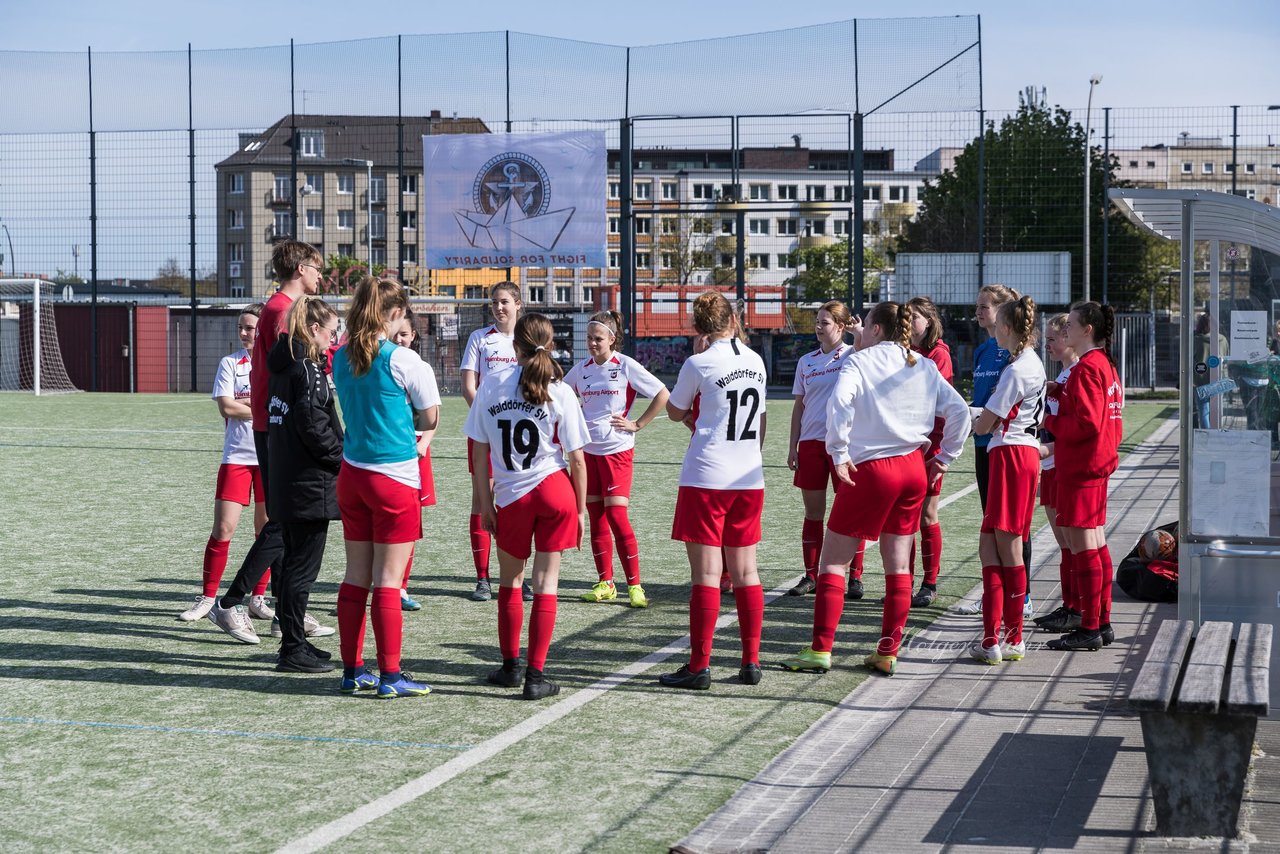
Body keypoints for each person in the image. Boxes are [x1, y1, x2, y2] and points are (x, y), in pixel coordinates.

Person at [781, 301, 970, 678]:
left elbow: (840, 403)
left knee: (834, 561)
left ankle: (820, 649)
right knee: (899, 566)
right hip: (912, 470)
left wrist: (837, 453)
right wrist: (945, 458)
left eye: (865, 325)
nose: (860, 331)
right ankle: (887, 651)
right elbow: (961, 411)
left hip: (871, 469)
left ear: (878, 329)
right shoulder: (925, 365)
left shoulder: (859, 362)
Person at [208, 241, 331, 644]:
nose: (320, 275)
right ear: (300, 268)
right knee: (282, 521)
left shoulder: (283, 307)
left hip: (274, 422)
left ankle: (283, 614)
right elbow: (291, 367)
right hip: (277, 425)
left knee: (286, 520)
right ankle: (230, 602)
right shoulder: (282, 309)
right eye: (315, 268)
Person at [465, 313, 589, 700]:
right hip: (555, 491)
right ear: (549, 345)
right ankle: (536, 677)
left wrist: (485, 504)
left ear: (513, 346)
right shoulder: (561, 390)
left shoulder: (491, 386)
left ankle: (510, 668)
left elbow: (480, 451)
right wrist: (581, 510)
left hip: (512, 495)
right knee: (546, 585)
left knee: (511, 582)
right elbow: (577, 459)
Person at [332, 278, 440, 698]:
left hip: (352, 476)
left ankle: (352, 669)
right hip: (393, 478)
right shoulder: (405, 360)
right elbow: (429, 417)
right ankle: (391, 675)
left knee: (355, 576)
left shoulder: (340, 357)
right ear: (395, 314)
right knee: (389, 581)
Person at [659, 292, 768, 691]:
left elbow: (673, 409)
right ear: (733, 321)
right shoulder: (755, 360)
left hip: (707, 476)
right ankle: (751, 661)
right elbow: (760, 420)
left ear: (700, 329)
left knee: (706, 574)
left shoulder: (699, 362)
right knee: (746, 572)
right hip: (748, 476)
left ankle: (699, 666)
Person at [564, 310, 669, 608]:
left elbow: (662, 393)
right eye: (589, 339)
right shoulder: (581, 369)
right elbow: (559, 392)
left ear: (612, 339)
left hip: (617, 451)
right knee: (596, 516)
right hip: (587, 452)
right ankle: (606, 583)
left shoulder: (625, 365)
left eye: (598, 339)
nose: (593, 344)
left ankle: (635, 585)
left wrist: (637, 424)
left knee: (617, 516)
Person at [179, 304, 274, 623]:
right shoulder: (230, 364)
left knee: (267, 531)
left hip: (270, 457)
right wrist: (258, 406)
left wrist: (245, 403)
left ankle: (258, 599)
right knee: (223, 528)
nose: (246, 333)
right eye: (241, 328)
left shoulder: (275, 364)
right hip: (236, 456)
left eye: (251, 328)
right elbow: (227, 409)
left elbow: (271, 406)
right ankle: (207, 598)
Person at [266, 296, 343, 673]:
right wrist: (341, 458)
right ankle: (292, 649)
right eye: (331, 331)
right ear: (314, 330)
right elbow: (314, 426)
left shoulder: (284, 365)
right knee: (301, 569)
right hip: (308, 483)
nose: (334, 338)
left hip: (286, 478)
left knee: (293, 565)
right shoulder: (306, 369)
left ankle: (295, 642)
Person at [968, 296, 1045, 665]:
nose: (993, 328)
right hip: (1017, 453)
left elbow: (988, 422)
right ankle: (994, 637)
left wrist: (964, 419)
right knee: (991, 547)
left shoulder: (1017, 369)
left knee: (1006, 549)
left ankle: (1009, 638)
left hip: (1012, 454)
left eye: (999, 323)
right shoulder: (1026, 363)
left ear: (1009, 328)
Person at [1046, 301, 1124, 652]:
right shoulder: (1104, 364)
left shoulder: (1087, 367)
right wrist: (1059, 391)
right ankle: (1101, 620)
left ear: (1087, 330)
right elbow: (1092, 409)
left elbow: (1086, 422)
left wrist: (1047, 421)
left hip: (1082, 465)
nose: (1066, 331)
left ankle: (1091, 625)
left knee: (1083, 545)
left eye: (1071, 325)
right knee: (1094, 540)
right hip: (1096, 463)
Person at [955, 284, 1032, 618]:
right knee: (992, 522)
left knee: (1012, 528)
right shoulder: (985, 349)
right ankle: (995, 595)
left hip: (1008, 445)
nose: (978, 312)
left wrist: (980, 419)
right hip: (983, 443)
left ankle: (1022, 596)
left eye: (984, 306)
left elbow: (1010, 400)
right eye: (977, 306)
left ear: (1003, 312)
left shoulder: (1014, 353)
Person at [786, 300, 859, 598]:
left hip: (844, 445)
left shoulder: (855, 356)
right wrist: (793, 445)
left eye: (825, 322)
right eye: (817, 321)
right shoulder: (806, 361)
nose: (818, 326)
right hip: (812, 444)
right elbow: (799, 405)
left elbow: (871, 347)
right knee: (813, 513)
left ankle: (855, 577)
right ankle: (811, 575)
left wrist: (859, 333)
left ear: (841, 327)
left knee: (851, 514)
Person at [461, 282, 527, 602]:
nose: (498, 307)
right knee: (481, 502)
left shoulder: (527, 338)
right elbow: (468, 386)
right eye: (494, 303)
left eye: (504, 302)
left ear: (517, 304)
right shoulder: (480, 338)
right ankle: (483, 578)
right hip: (486, 432)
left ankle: (517, 576)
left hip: (521, 435)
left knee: (516, 501)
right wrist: (486, 420)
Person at [1032, 314, 1082, 634]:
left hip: (1062, 466)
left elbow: (1076, 427)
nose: (1048, 345)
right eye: (1047, 339)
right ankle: (1070, 605)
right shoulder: (1063, 374)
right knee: (1064, 545)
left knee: (1072, 543)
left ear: (1069, 337)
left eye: (1053, 339)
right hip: (1050, 467)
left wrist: (1047, 450)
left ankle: (1077, 608)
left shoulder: (1077, 373)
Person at [391, 307, 441, 613]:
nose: (400, 340)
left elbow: (433, 414)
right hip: (388, 455)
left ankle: (400, 586)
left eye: (405, 334)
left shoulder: (419, 367)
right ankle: (386, 582)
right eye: (395, 334)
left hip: (415, 453)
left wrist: (425, 442)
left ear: (414, 336)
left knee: (412, 523)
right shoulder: (381, 364)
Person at [906, 296, 954, 608]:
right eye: (905, 318)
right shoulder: (903, 351)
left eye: (914, 318)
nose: (908, 324)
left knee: (926, 514)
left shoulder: (939, 354)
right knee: (904, 517)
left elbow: (940, 400)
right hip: (906, 442)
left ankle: (930, 582)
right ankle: (902, 581)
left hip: (930, 443)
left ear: (928, 320)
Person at [1192, 312, 1228, 428]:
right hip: (1219, 378)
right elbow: (1227, 357)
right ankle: (1216, 435)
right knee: (1217, 411)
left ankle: (1206, 436)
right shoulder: (1223, 340)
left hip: (1200, 380)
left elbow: (1190, 358)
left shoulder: (1196, 340)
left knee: (1203, 410)